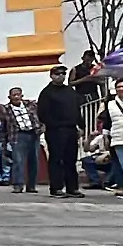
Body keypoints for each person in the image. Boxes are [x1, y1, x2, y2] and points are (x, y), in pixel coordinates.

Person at [38, 65, 83, 197]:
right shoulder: (47, 93)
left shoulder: (70, 91)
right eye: (57, 74)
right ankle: (56, 188)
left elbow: (76, 109)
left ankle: (72, 188)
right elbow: (43, 113)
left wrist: (80, 126)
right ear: (51, 76)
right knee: (56, 159)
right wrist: (53, 125)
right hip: (55, 130)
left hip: (71, 129)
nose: (61, 76)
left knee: (71, 159)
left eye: (63, 74)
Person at [2, 86, 41, 193]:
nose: (16, 97)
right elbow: (4, 125)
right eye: (13, 95)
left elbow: (40, 115)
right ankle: (18, 185)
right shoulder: (6, 109)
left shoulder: (31, 105)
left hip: (33, 133)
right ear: (9, 97)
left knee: (34, 160)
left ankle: (31, 185)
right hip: (17, 135)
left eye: (18, 94)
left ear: (22, 95)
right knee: (18, 161)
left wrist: (41, 126)